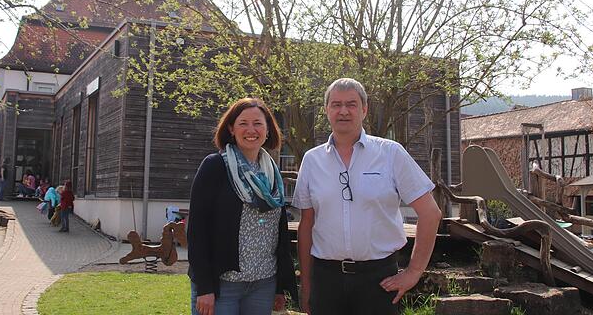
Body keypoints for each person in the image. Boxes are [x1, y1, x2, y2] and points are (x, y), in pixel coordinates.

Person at [293, 78, 442, 315]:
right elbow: (307, 225)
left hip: (379, 279)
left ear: (364, 109)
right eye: (336, 104)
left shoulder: (390, 153)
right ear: (326, 110)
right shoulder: (312, 161)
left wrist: (414, 272)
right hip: (326, 280)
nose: (343, 111)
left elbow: (431, 213)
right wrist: (307, 285)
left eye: (351, 104)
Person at [188, 98, 298, 315]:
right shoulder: (215, 167)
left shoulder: (271, 173)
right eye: (243, 123)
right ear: (231, 128)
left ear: (267, 130)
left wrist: (279, 287)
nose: (251, 130)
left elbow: (278, 234)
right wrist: (205, 288)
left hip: (263, 284)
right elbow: (197, 232)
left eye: (258, 123)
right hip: (222, 285)